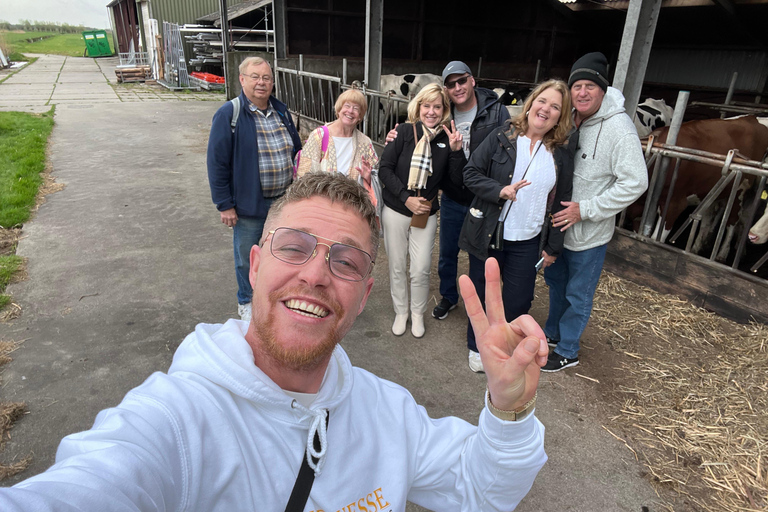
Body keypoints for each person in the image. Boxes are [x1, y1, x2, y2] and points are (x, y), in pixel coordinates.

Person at [0, 172, 549, 512]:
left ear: (364, 296)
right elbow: (93, 486)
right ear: (255, 263)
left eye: (347, 261)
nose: (315, 275)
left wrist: (510, 412)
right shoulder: (178, 421)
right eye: (294, 247)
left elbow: (480, 493)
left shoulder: (389, 413)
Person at [459, 79, 575, 373]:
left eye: (555, 107)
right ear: (531, 102)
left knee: (518, 299)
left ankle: (503, 347)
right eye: (542, 101)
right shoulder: (502, 136)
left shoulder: (560, 155)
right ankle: (477, 347)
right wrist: (500, 190)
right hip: (490, 234)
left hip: (528, 241)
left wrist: (552, 249)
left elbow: (562, 203)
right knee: (484, 293)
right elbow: (470, 173)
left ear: (560, 117)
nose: (546, 109)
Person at [542, 52, 648, 372]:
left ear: (603, 89)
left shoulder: (619, 129)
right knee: (556, 283)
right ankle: (554, 332)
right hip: (558, 227)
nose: (583, 92)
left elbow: (636, 182)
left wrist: (586, 209)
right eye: (577, 86)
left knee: (578, 292)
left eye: (590, 85)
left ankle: (569, 349)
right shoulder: (567, 118)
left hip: (588, 232)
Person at [387, 61, 511, 323]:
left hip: (484, 196)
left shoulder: (496, 111)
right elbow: (419, 143)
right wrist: (396, 137)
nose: (458, 87)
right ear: (446, 90)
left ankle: (478, 304)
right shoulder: (443, 114)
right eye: (451, 84)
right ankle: (449, 296)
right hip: (454, 196)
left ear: (472, 80)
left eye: (462, 80)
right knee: (447, 254)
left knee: (481, 254)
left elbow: (508, 147)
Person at [207, 56, 302, 324]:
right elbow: (217, 162)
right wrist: (224, 203)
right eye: (255, 77)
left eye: (267, 78)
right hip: (249, 204)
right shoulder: (230, 113)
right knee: (247, 257)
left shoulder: (282, 111)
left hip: (284, 203)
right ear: (242, 79)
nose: (262, 83)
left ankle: (275, 298)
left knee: (282, 254)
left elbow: (297, 150)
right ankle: (247, 301)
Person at [378, 84, 463, 338]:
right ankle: (401, 312)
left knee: (421, 268)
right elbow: (385, 169)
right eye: (427, 105)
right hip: (396, 210)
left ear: (444, 110)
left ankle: (417, 314)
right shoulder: (404, 132)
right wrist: (406, 198)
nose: (431, 111)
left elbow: (455, 184)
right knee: (396, 265)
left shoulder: (446, 141)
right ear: (418, 107)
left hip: (426, 213)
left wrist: (457, 153)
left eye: (437, 106)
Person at [296, 88, 378, 183]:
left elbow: (374, 177)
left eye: (356, 108)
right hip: (323, 196)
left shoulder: (365, 143)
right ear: (339, 109)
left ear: (360, 116)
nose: (350, 111)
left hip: (353, 197)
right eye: (347, 106)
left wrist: (368, 178)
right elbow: (304, 175)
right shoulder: (319, 136)